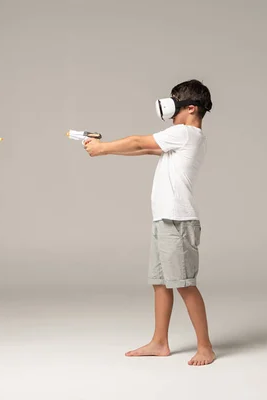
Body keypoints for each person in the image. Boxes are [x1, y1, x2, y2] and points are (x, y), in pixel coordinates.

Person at [83, 79, 215, 366]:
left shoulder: (185, 133)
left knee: (184, 284)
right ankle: (159, 342)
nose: (170, 108)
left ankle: (205, 346)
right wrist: (102, 149)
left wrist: (103, 148)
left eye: (175, 102)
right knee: (160, 282)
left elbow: (137, 141)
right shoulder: (181, 138)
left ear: (191, 109)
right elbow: (144, 149)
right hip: (164, 220)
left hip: (178, 221)